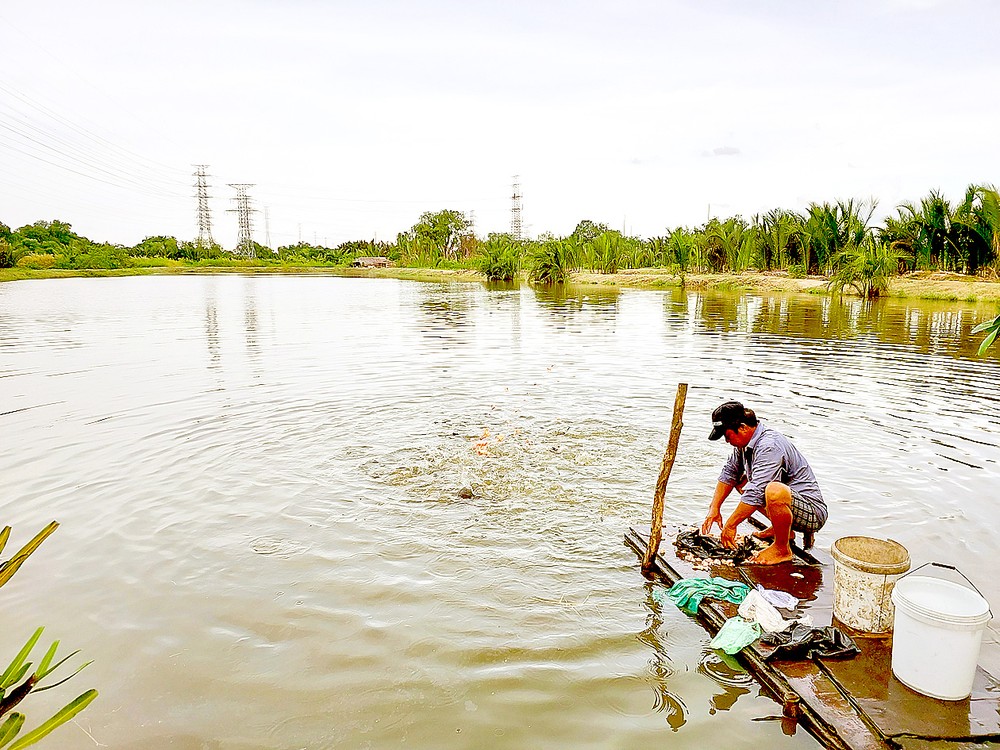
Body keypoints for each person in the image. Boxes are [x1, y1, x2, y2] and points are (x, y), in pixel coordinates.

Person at [700, 400, 827, 565]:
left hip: (812, 512)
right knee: (742, 482)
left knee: (772, 490)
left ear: (743, 427)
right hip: (791, 506)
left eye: (727, 435)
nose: (726, 441)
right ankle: (783, 530)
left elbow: (757, 492)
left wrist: (730, 525)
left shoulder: (769, 445)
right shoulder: (744, 445)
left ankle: (782, 549)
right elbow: (729, 472)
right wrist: (714, 508)